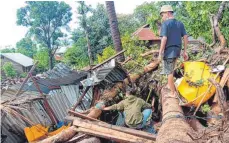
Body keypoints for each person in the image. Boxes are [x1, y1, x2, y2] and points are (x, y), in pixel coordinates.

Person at [158, 5, 189, 98]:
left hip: (169, 52)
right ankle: (170, 86)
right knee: (171, 70)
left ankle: (173, 93)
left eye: (162, 15)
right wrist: (185, 51)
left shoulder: (166, 24)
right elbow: (185, 37)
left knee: (169, 72)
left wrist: (160, 52)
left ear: (167, 13)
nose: (162, 18)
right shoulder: (180, 23)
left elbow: (164, 38)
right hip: (177, 51)